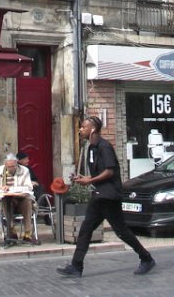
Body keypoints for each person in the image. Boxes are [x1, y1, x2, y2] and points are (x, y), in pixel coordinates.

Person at [56, 116, 156, 279]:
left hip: (109, 195)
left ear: (92, 129)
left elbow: (109, 171)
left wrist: (90, 180)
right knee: (86, 230)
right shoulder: (91, 148)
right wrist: (84, 178)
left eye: (83, 127)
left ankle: (146, 258)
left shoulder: (104, 147)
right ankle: (76, 266)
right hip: (99, 195)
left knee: (121, 231)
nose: (80, 129)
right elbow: (98, 172)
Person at [0, 153, 39, 246]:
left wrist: (14, 189)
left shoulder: (24, 170)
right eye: (9, 167)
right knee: (5, 200)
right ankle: (11, 231)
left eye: (13, 166)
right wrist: (1, 189)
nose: (11, 168)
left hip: (21, 199)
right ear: (5, 165)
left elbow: (28, 187)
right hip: (6, 200)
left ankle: (27, 233)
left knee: (27, 201)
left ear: (17, 164)